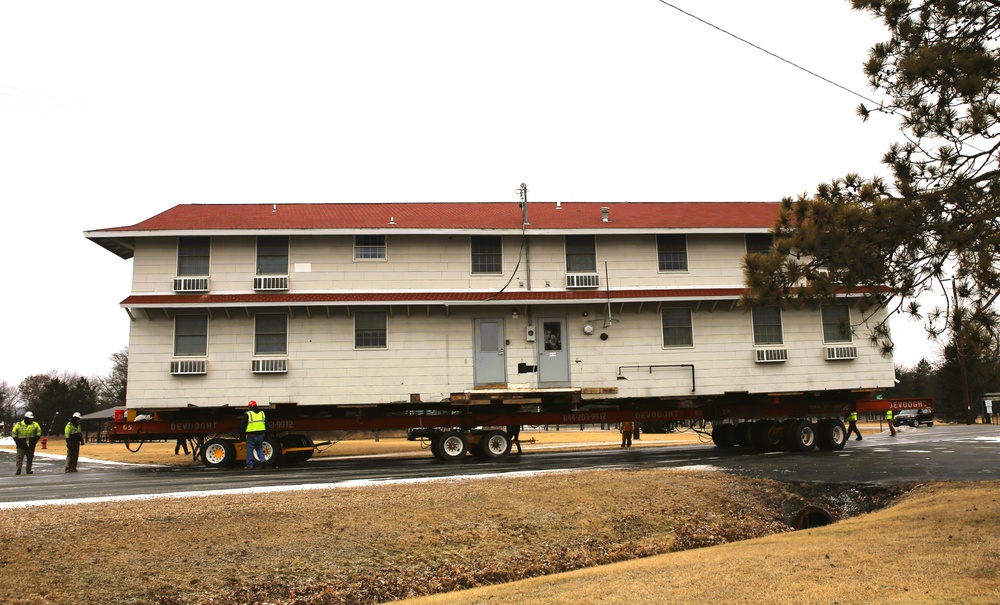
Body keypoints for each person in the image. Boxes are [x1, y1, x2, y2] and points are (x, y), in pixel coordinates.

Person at [240, 400, 267, 470]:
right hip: (261, 434)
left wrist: (241, 434)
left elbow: (243, 425)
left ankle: (250, 465)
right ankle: (262, 459)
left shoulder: (248, 414)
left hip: (251, 434)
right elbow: (267, 424)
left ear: (249, 407)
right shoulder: (262, 413)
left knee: (249, 450)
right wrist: (267, 434)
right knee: (259, 447)